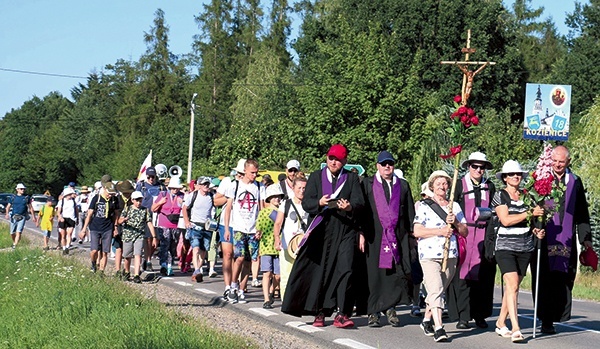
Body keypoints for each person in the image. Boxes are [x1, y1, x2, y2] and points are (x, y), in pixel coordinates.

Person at [282, 144, 364, 329]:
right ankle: (319, 311)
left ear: (345, 161)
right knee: (321, 272)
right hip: (322, 231)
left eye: (338, 159)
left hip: (344, 230)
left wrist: (349, 207)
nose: (333, 162)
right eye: (331, 158)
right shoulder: (317, 177)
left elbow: (360, 203)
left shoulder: (351, 178)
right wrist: (319, 202)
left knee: (346, 270)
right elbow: (307, 203)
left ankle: (342, 313)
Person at [530, 145, 593, 334]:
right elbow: (531, 207)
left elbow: (582, 211)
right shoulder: (540, 179)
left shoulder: (575, 181)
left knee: (564, 278)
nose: (557, 165)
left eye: (561, 162)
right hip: (543, 236)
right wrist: (534, 226)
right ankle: (545, 319)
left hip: (566, 239)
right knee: (544, 279)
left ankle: (557, 315)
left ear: (568, 162)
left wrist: (585, 238)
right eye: (555, 161)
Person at [358, 151, 415, 328]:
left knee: (393, 274)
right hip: (374, 236)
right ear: (377, 166)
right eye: (383, 164)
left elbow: (409, 212)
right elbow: (361, 210)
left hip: (397, 236)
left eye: (390, 163)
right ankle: (373, 312)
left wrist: (412, 235)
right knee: (374, 274)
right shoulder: (367, 184)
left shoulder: (403, 185)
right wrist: (360, 232)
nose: (387, 167)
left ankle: (390, 309)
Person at [491, 160, 545, 342]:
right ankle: (516, 327)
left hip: (526, 246)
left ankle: (500, 322)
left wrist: (536, 230)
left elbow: (529, 223)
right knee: (512, 284)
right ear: (505, 178)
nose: (516, 176)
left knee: (512, 287)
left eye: (518, 174)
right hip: (505, 247)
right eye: (512, 174)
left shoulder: (528, 196)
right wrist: (530, 214)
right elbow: (505, 220)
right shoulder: (500, 196)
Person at [414, 170, 468, 342]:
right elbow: (417, 231)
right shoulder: (424, 206)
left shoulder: (455, 207)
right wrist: (440, 231)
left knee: (437, 291)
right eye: (439, 183)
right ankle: (439, 328)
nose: (442, 186)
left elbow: (465, 231)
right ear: (432, 186)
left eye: (445, 183)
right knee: (436, 289)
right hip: (429, 254)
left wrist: (456, 223)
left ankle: (426, 320)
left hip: (450, 253)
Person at [447, 152, 497, 329]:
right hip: (464, 235)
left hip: (484, 236)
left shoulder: (489, 187)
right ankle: (463, 316)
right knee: (463, 277)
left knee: (483, 277)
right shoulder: (459, 185)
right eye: (475, 166)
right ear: (468, 166)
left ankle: (480, 315)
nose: (478, 170)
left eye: (481, 167)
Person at [223, 159, 266, 304]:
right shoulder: (235, 186)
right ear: (245, 171)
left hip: (253, 229)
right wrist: (227, 228)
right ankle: (233, 285)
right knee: (239, 257)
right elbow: (228, 208)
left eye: (256, 173)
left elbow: (261, 209)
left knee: (249, 259)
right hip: (239, 227)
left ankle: (242, 289)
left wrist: (260, 228)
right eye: (252, 172)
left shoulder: (259, 187)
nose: (255, 175)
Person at [274, 173, 309, 302]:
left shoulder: (309, 205)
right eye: (299, 188)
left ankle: (300, 300)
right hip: (287, 245)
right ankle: (286, 301)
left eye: (304, 188)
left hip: (304, 246)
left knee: (302, 274)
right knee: (286, 274)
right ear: (293, 188)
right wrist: (277, 239)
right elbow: (278, 223)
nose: (301, 191)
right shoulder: (286, 204)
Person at [214, 162, 245, 302]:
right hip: (226, 223)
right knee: (227, 254)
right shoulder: (228, 181)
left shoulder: (251, 185)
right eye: (239, 173)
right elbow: (216, 201)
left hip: (242, 224)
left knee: (239, 256)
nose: (240, 175)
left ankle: (235, 284)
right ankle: (227, 287)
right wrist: (230, 197)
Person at [80, 182, 121, 273]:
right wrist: (84, 229)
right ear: (105, 189)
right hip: (95, 227)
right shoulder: (97, 198)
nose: (110, 195)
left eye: (112, 193)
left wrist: (115, 227)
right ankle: (93, 263)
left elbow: (116, 215)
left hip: (108, 228)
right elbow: (90, 214)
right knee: (94, 250)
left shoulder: (114, 200)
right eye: (109, 193)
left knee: (105, 251)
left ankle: (101, 271)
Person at [119, 191, 157, 283]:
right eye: (137, 200)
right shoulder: (127, 209)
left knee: (138, 254)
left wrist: (154, 236)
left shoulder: (145, 210)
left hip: (139, 235)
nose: (139, 203)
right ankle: (127, 271)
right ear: (132, 200)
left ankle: (136, 274)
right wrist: (123, 220)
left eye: (140, 200)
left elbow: (149, 223)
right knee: (127, 256)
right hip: (128, 235)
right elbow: (119, 220)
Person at [256, 184, 285, 309]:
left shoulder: (283, 211)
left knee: (278, 274)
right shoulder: (264, 213)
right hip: (266, 246)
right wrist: (258, 233)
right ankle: (266, 298)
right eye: (274, 197)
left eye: (278, 197)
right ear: (269, 198)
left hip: (279, 246)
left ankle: (272, 291)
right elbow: (259, 227)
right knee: (267, 273)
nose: (277, 199)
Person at [182, 176, 215, 283]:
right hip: (195, 225)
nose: (206, 186)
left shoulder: (212, 196)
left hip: (207, 226)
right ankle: (197, 270)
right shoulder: (193, 195)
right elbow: (184, 208)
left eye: (207, 184)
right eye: (204, 184)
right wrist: (187, 222)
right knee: (195, 248)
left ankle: (197, 270)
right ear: (199, 185)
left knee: (203, 250)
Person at [152, 176, 185, 276]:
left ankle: (169, 266)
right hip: (163, 223)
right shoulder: (163, 194)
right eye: (173, 188)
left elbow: (186, 209)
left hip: (175, 224)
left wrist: (182, 203)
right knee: (164, 244)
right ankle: (163, 265)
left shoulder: (182, 196)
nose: (175, 190)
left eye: (177, 188)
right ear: (170, 188)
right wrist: (160, 202)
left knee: (172, 246)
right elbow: (153, 209)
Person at [135, 166, 166, 271]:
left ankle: (147, 257)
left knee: (156, 240)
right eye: (149, 177)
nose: (151, 179)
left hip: (158, 215)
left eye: (153, 176)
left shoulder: (161, 187)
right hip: (146, 215)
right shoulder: (141, 186)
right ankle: (148, 261)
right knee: (148, 239)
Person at [5, 183, 36, 249]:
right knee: (12, 232)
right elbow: (8, 206)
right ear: (17, 190)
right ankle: (14, 242)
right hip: (14, 216)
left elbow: (30, 207)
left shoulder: (26, 198)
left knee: (18, 232)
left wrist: (33, 216)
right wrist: (7, 214)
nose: (23, 190)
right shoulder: (13, 197)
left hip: (22, 217)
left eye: (24, 189)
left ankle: (15, 245)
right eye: (21, 189)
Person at [114, 180, 135, 278]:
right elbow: (114, 215)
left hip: (130, 227)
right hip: (119, 226)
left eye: (129, 192)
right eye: (125, 192)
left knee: (128, 250)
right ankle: (118, 270)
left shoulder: (133, 201)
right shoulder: (117, 200)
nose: (127, 194)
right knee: (119, 248)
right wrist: (115, 227)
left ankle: (127, 270)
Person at [56, 187, 79, 255]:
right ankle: (63, 248)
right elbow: (58, 211)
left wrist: (77, 218)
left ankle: (67, 247)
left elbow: (76, 210)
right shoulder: (61, 201)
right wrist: (60, 217)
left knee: (69, 234)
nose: (70, 195)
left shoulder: (73, 201)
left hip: (71, 218)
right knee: (63, 235)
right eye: (69, 194)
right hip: (63, 218)